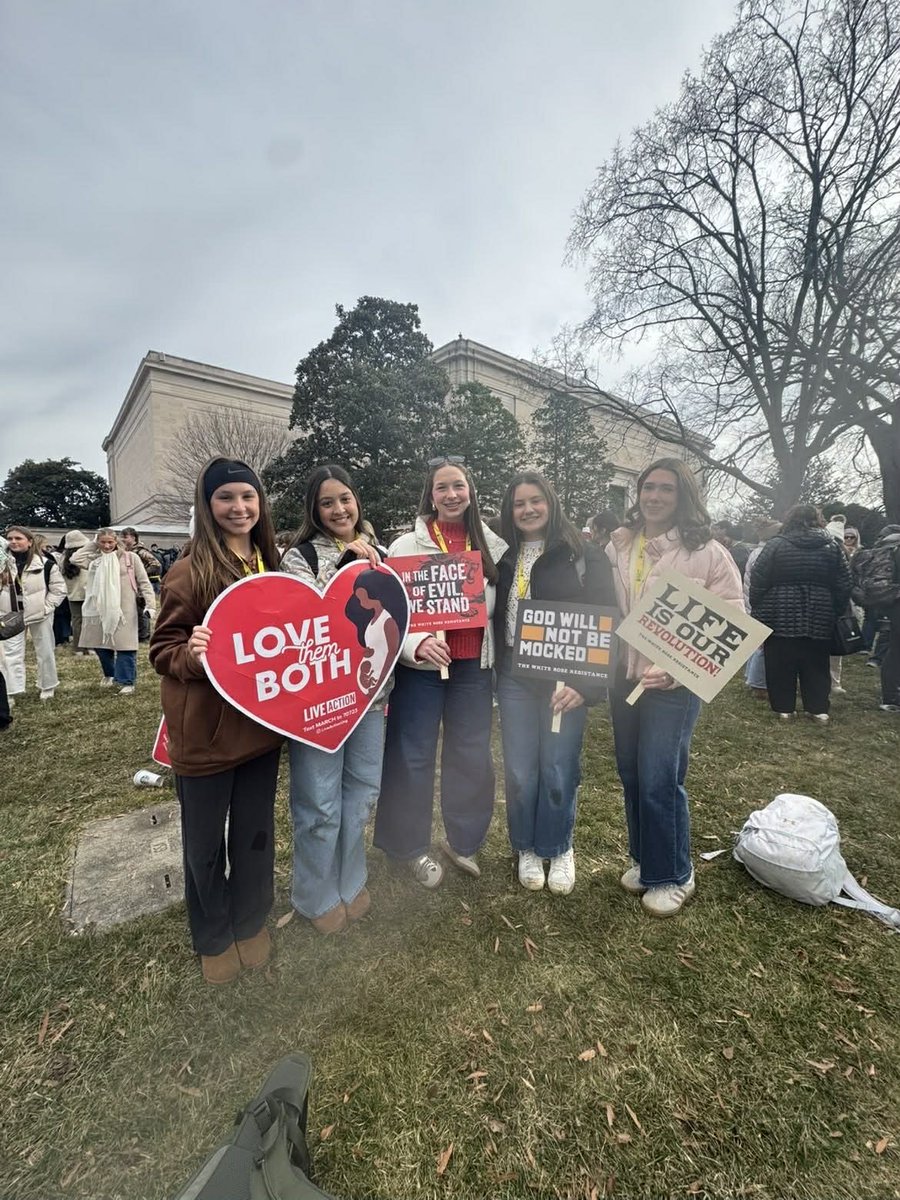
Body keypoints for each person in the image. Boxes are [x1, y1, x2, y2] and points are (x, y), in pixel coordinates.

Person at [149, 458, 284, 984]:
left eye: (248, 497)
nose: (239, 508)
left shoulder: (270, 565)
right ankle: (211, 934)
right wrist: (193, 656)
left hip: (260, 729)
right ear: (208, 507)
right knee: (204, 843)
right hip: (204, 733)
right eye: (226, 497)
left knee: (254, 835)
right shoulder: (188, 570)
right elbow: (163, 648)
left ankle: (251, 920)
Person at [606, 458, 743, 917]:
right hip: (624, 677)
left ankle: (675, 874)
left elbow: (730, 621)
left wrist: (678, 669)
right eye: (648, 487)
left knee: (661, 778)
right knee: (631, 773)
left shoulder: (707, 552)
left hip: (672, 686)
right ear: (638, 493)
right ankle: (647, 860)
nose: (655, 496)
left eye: (666, 489)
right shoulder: (620, 545)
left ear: (683, 496)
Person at [373, 457, 508, 887]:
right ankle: (408, 846)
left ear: (471, 490)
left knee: (470, 753)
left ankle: (463, 840)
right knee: (412, 756)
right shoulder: (403, 546)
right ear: (429, 495)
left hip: (472, 668)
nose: (451, 495)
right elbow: (392, 613)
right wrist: (416, 643)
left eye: (459, 486)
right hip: (422, 668)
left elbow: (500, 610)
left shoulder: (492, 544)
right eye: (442, 488)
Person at [281, 465, 393, 935]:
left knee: (362, 793)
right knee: (319, 801)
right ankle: (315, 894)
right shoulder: (298, 556)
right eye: (327, 503)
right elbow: (304, 615)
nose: (339, 509)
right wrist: (345, 563)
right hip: (320, 702)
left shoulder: (383, 553)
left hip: (370, 696)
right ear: (314, 509)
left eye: (345, 499)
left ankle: (352, 880)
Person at [494, 472, 617, 894]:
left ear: (551, 502)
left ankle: (558, 845)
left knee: (558, 766)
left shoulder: (583, 553)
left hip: (565, 679)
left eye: (535, 501)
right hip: (513, 673)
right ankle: (527, 845)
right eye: (518, 503)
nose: (527, 510)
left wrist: (587, 684)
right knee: (521, 767)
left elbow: (606, 619)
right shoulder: (502, 554)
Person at [749, 505, 852, 723]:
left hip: (779, 611)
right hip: (820, 612)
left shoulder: (776, 545)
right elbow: (844, 583)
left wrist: (759, 607)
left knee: (780, 662)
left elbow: (758, 579)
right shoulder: (832, 547)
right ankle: (818, 709)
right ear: (819, 520)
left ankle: (784, 709)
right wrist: (834, 609)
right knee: (817, 662)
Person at [73, 530, 155, 694]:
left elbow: (144, 582)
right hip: (99, 607)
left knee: (125, 645)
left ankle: (126, 681)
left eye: (110, 542)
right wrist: (92, 543)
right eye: (103, 542)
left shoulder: (131, 558)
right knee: (101, 644)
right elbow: (75, 558)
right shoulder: (95, 559)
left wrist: (151, 605)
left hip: (125, 608)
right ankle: (110, 674)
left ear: (116, 541)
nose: (107, 545)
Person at [0, 525, 66, 701]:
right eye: (10, 538)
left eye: (18, 538)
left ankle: (47, 685)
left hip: (39, 614)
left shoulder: (46, 564)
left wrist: (47, 607)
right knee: (9, 654)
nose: (13, 542)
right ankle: (11, 691)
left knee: (45, 651)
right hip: (10, 615)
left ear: (29, 542)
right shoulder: (3, 564)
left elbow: (58, 589)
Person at [60, 530, 91, 655]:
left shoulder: (63, 558)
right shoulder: (85, 556)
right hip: (88, 592)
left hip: (72, 594)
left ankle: (78, 647)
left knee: (77, 621)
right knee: (89, 621)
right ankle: (89, 646)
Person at [121, 527, 163, 594]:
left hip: (142, 587)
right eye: (122, 537)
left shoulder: (140, 551)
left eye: (125, 537)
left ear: (133, 538)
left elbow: (156, 564)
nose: (122, 539)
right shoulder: (125, 551)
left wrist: (141, 573)